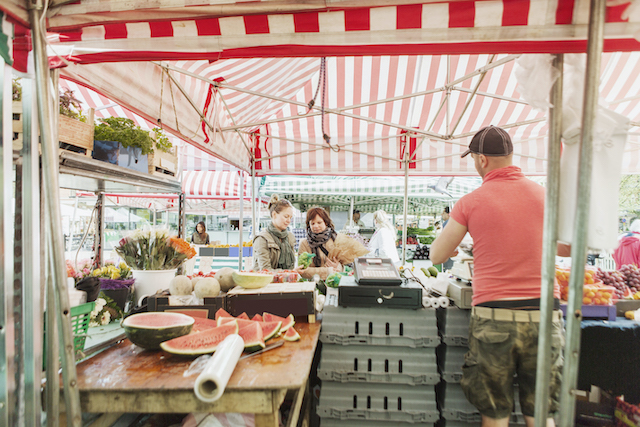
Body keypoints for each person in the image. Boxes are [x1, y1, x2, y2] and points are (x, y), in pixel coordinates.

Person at [429, 125, 564, 427]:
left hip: (494, 316)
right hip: (545, 314)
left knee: (495, 413)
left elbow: (436, 255)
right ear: (511, 155)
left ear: (482, 160)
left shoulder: (470, 202)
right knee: (541, 414)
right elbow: (567, 246)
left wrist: (455, 249)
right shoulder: (547, 196)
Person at [297, 207, 343, 280]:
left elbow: (347, 265)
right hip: (313, 285)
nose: (316, 226)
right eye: (312, 223)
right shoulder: (304, 244)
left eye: (319, 222)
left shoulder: (336, 240)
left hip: (335, 282)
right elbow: (303, 270)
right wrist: (327, 271)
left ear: (326, 222)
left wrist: (339, 267)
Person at [252, 195, 296, 271]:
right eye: (286, 216)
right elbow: (265, 270)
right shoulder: (262, 239)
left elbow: (291, 266)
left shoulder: (290, 237)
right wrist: (289, 273)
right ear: (274, 214)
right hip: (263, 281)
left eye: (290, 218)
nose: (289, 220)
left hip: (285, 281)